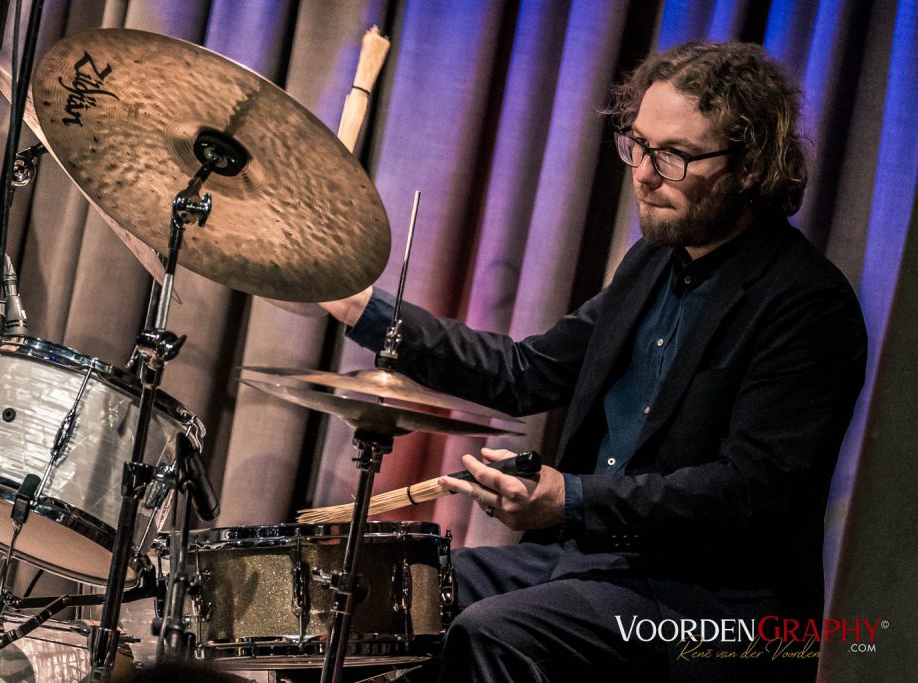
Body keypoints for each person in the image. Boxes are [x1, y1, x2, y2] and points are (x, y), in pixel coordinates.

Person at [318, 41, 866, 682]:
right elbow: (525, 373)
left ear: (749, 167)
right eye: (639, 145)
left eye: (674, 156)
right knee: (387, 590)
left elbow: (749, 491)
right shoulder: (650, 264)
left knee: (496, 633)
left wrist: (573, 500)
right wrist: (363, 309)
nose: (645, 175)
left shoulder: (806, 303)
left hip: (713, 608)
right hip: (590, 567)